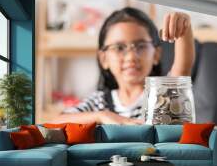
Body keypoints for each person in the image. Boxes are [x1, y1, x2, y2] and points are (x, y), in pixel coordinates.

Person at [51, 7, 195, 124]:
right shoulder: (99, 103)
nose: (131, 56)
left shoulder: (162, 96)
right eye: (119, 48)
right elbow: (55, 123)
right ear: (104, 59)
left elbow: (182, 68)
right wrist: (102, 116)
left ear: (156, 54)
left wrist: (184, 27)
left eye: (141, 46)